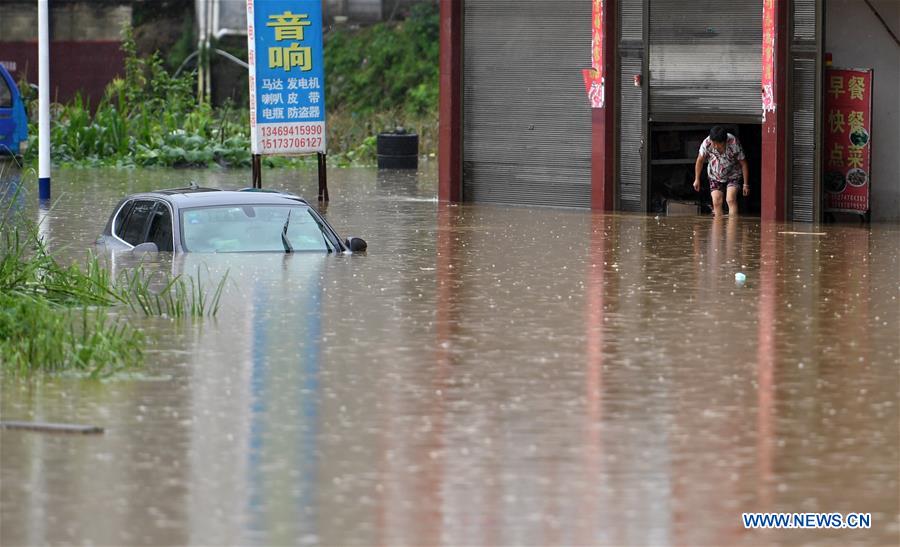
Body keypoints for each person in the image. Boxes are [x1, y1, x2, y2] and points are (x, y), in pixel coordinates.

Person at [693, 126, 750, 217]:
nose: (715, 146)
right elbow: (700, 160)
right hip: (715, 175)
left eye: (718, 144)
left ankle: (732, 228)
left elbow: (743, 163)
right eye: (713, 143)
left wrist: (746, 184)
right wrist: (697, 179)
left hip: (733, 174)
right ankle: (718, 228)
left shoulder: (733, 142)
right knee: (716, 201)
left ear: (725, 141)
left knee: (730, 199)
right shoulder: (706, 143)